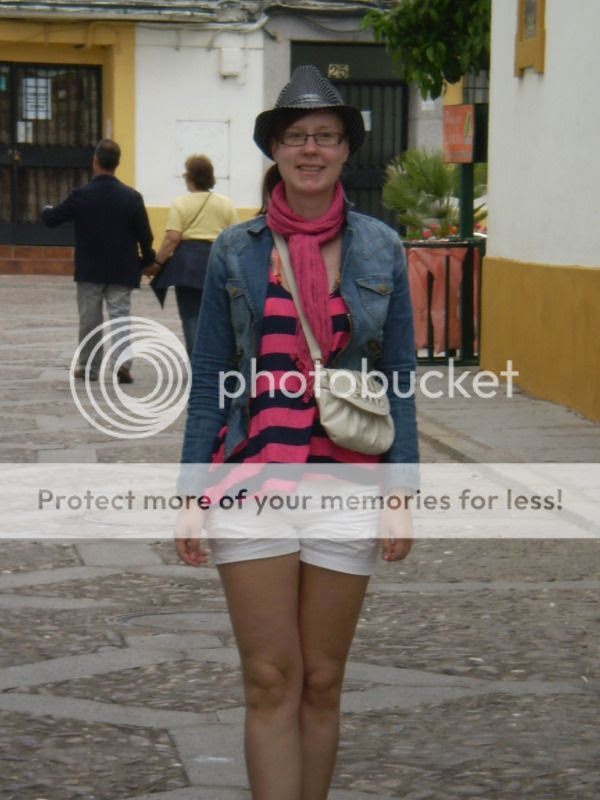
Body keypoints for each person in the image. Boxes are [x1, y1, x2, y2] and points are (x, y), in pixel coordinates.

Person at [175, 65, 419, 800]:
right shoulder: (237, 249)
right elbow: (212, 376)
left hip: (347, 485)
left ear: (345, 149)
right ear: (275, 150)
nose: (311, 149)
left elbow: (398, 378)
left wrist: (401, 495)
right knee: (269, 676)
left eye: (326, 136)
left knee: (321, 679)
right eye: (296, 136)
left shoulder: (381, 248)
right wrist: (190, 494)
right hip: (252, 482)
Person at [41, 138, 155, 384]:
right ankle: (122, 363)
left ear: (95, 161)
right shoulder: (132, 197)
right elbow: (145, 234)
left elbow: (53, 219)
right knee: (120, 317)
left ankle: (89, 368)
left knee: (90, 320)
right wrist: (147, 259)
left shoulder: (81, 195)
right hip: (122, 268)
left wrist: (44, 210)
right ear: (117, 163)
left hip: (90, 268)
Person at [149, 155, 238, 355]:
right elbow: (234, 238)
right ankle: (217, 357)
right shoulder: (225, 204)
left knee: (191, 315)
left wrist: (157, 263)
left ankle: (195, 359)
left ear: (189, 177)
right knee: (218, 314)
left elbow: (172, 238)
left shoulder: (180, 204)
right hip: (216, 262)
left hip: (187, 265)